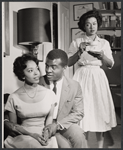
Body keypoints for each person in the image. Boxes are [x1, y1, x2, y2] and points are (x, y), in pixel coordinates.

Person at [68, 10, 117, 148]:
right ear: (84, 26)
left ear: (98, 25)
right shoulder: (77, 41)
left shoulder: (104, 43)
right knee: (82, 111)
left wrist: (102, 57)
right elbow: (68, 63)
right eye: (88, 24)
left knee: (98, 110)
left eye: (94, 23)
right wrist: (79, 52)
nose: (92, 27)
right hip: (81, 76)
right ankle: (84, 146)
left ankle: (100, 147)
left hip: (97, 77)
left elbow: (110, 64)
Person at [4, 53, 58, 148]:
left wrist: (46, 133)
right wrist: (32, 135)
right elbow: (14, 127)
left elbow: (49, 120)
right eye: (30, 70)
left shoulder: (50, 94)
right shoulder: (14, 97)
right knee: (33, 144)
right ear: (22, 75)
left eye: (37, 68)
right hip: (24, 136)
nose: (36, 73)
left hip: (44, 135)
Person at [39, 49, 87, 148]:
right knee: (65, 146)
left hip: (63, 123)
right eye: (47, 65)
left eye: (53, 67)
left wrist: (57, 125)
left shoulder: (74, 86)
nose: (48, 70)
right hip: (43, 125)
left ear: (64, 67)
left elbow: (78, 112)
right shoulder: (38, 83)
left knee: (79, 136)